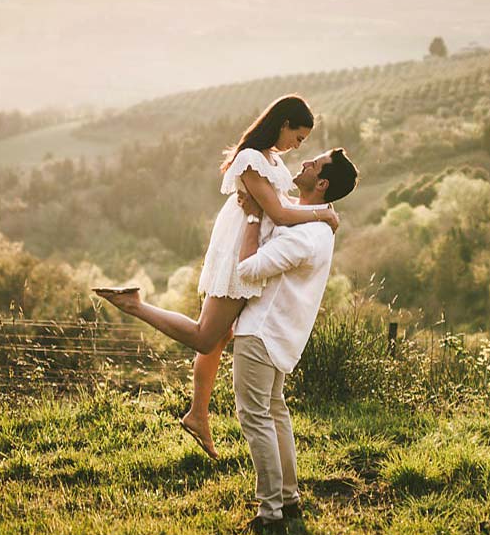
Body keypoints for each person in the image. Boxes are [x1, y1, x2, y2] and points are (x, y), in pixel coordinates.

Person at [94, 95, 339, 458]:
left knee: (219, 335)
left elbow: (281, 206)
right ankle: (135, 305)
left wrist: (320, 211)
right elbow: (279, 213)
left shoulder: (271, 159)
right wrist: (324, 215)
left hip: (250, 245)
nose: (298, 146)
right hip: (239, 249)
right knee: (205, 336)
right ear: (284, 123)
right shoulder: (251, 158)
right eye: (298, 137)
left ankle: (198, 414)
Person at [231, 147, 359, 532]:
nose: (304, 163)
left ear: (322, 183)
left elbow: (247, 269)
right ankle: (289, 498)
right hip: (282, 336)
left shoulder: (304, 236)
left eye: (314, 165)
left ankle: (270, 511)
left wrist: (252, 215)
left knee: (256, 419)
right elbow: (285, 207)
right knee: (275, 412)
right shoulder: (318, 225)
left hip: (261, 333)